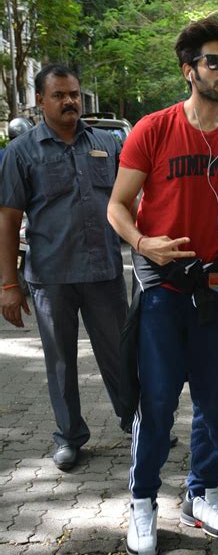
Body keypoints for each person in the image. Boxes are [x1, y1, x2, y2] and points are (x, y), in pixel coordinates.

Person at [107, 17, 218, 555]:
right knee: (155, 401)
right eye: (214, 62)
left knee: (212, 400)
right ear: (189, 70)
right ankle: (144, 500)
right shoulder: (152, 129)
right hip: (160, 287)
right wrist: (142, 243)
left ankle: (202, 494)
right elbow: (117, 206)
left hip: (215, 285)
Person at [0, 64, 128, 471]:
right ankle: (69, 436)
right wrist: (8, 284)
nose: (69, 101)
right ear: (40, 101)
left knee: (122, 354)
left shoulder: (108, 143)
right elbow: (6, 219)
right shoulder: (21, 153)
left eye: (73, 93)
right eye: (59, 95)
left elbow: (131, 202)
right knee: (60, 362)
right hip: (51, 277)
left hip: (105, 271)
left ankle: (136, 421)